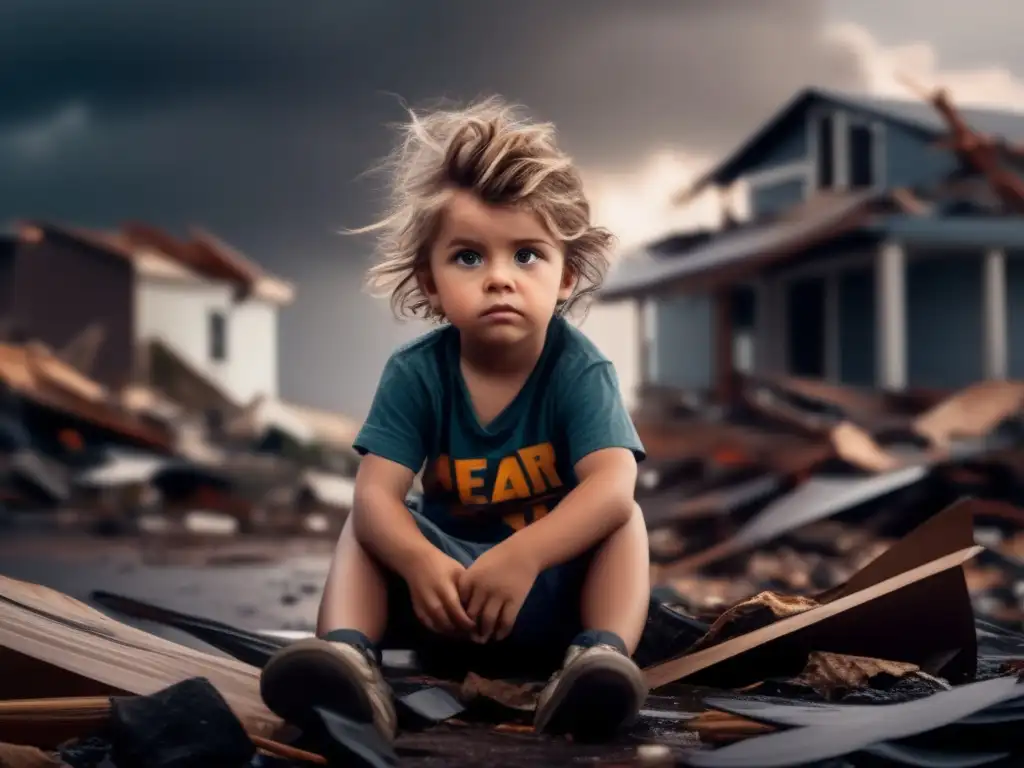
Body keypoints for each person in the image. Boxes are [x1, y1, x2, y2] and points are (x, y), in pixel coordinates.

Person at [259, 97, 650, 744]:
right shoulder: (417, 373)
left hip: (548, 598)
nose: (500, 278)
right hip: (445, 596)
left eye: (527, 255)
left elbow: (611, 486)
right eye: (469, 257)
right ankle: (352, 663)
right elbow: (377, 493)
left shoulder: (579, 371)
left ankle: (598, 659)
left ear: (565, 276)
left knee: (624, 519)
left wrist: (524, 556)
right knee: (367, 520)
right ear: (431, 281)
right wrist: (416, 562)